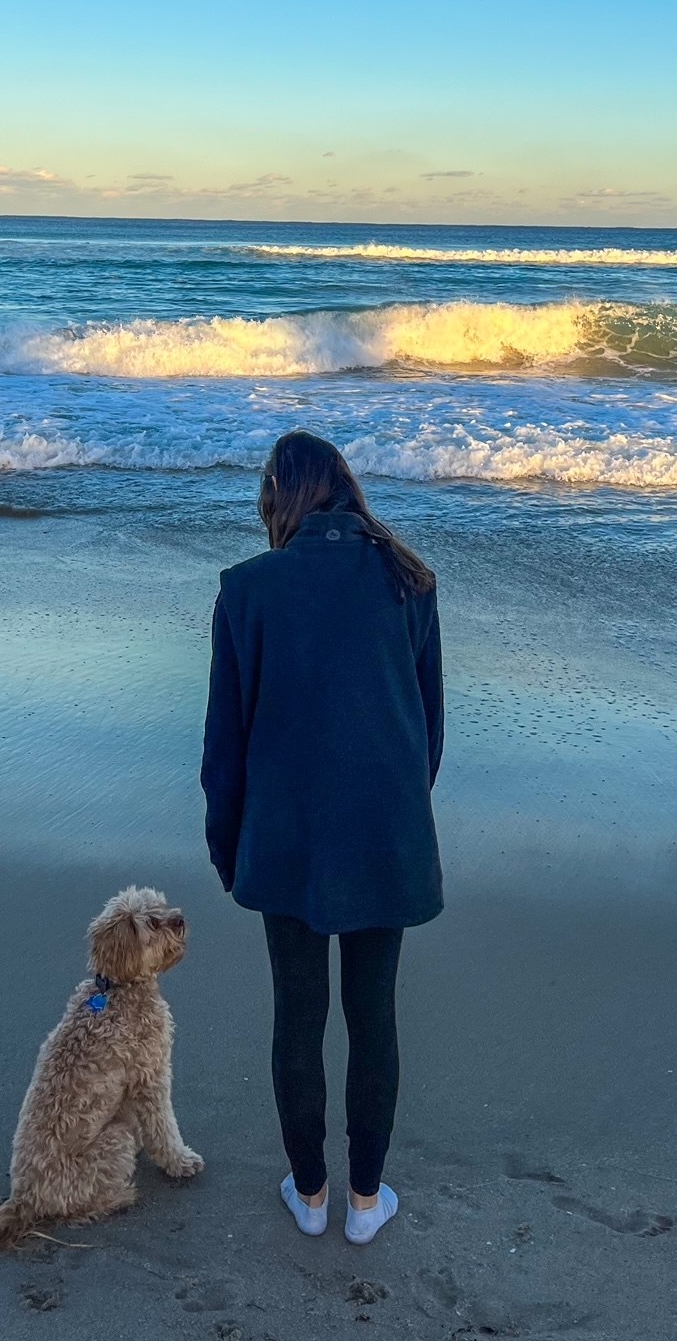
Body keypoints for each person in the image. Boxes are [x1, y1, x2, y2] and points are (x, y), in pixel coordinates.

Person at [201, 431, 443, 1245]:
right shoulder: (411, 581)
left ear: (280, 496)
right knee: (375, 1016)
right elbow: (427, 731)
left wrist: (229, 848)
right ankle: (367, 1203)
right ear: (345, 488)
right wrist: (399, 816)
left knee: (297, 1015)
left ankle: (309, 1195)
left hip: (287, 832)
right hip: (386, 827)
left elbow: (223, 749)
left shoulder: (247, 589)